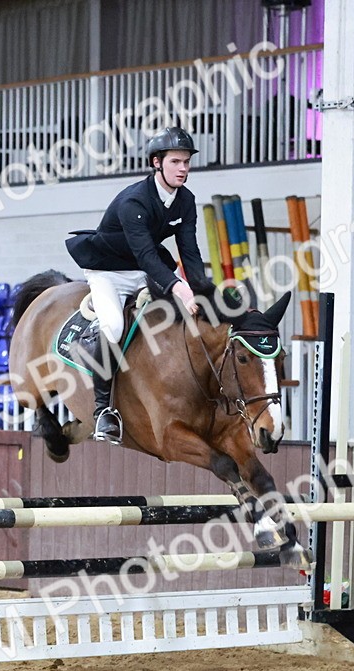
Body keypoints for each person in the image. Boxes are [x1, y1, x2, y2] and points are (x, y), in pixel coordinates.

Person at [64, 126, 216, 445]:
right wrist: (179, 288)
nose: (184, 168)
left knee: (178, 317)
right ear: (157, 162)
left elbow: (189, 251)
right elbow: (147, 256)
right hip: (109, 271)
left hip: (146, 267)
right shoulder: (134, 200)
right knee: (115, 326)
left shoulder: (185, 200)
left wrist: (204, 291)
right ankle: (104, 411)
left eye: (187, 162)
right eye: (176, 161)